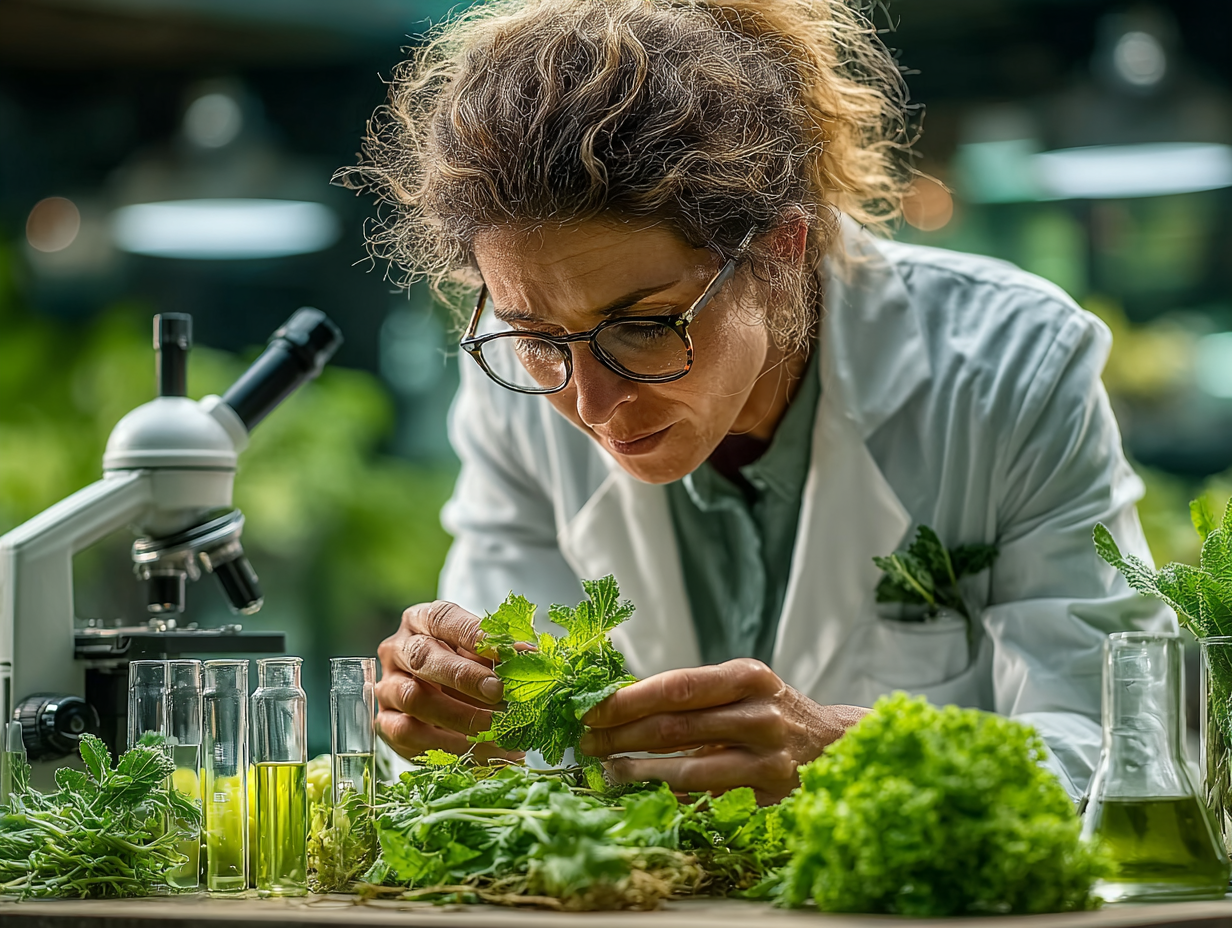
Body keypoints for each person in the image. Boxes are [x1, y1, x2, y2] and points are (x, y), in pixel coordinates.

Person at [345, 0, 1173, 804]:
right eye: (534, 332)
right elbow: (518, 749)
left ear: (779, 252)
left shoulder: (1012, 365)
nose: (590, 402)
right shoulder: (528, 383)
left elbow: (1124, 741)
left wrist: (857, 759)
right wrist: (452, 719)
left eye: (642, 326)